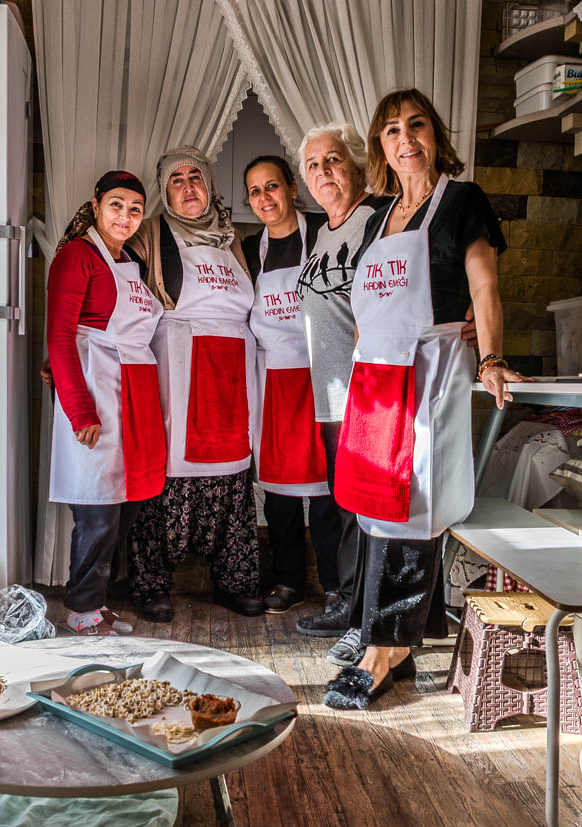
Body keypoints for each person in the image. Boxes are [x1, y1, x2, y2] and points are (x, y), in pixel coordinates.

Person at [323, 89, 529, 710]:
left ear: (435, 135)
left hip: (429, 366)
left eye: (416, 126)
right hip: (374, 377)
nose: (405, 139)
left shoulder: (463, 202)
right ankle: (402, 637)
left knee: (412, 503)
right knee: (371, 503)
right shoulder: (379, 217)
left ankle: (384, 649)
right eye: (391, 130)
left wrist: (490, 356)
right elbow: (368, 307)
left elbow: (484, 286)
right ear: (379, 147)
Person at [124, 146, 264, 622]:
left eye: (196, 177)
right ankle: (151, 585)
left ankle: (235, 579)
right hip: (178, 363)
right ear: (164, 190)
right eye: (177, 179)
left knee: (233, 470)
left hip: (234, 369)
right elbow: (99, 264)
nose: (188, 186)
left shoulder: (236, 238)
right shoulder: (147, 234)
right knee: (171, 470)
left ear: (209, 184)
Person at [46, 170, 165, 636]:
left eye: (135, 209)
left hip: (134, 393)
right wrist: (79, 410)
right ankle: (80, 610)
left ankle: (96, 603)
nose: (126, 216)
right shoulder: (77, 257)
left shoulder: (131, 260)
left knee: (123, 507)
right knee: (97, 509)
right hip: (97, 389)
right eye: (116, 205)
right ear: (96, 205)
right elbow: (59, 336)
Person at [290, 123, 391, 665]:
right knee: (344, 503)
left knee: (364, 508)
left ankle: (363, 618)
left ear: (354, 165)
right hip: (329, 394)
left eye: (332, 161)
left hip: (365, 392)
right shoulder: (324, 231)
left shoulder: (377, 221)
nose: (323, 172)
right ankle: (350, 604)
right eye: (312, 165)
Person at [240, 155, 341, 614]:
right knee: (279, 488)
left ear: (293, 189)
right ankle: (288, 580)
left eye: (273, 187)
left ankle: (337, 583)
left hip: (325, 373)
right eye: (256, 191)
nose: (265, 198)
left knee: (327, 486)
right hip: (274, 378)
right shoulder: (247, 250)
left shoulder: (324, 233)